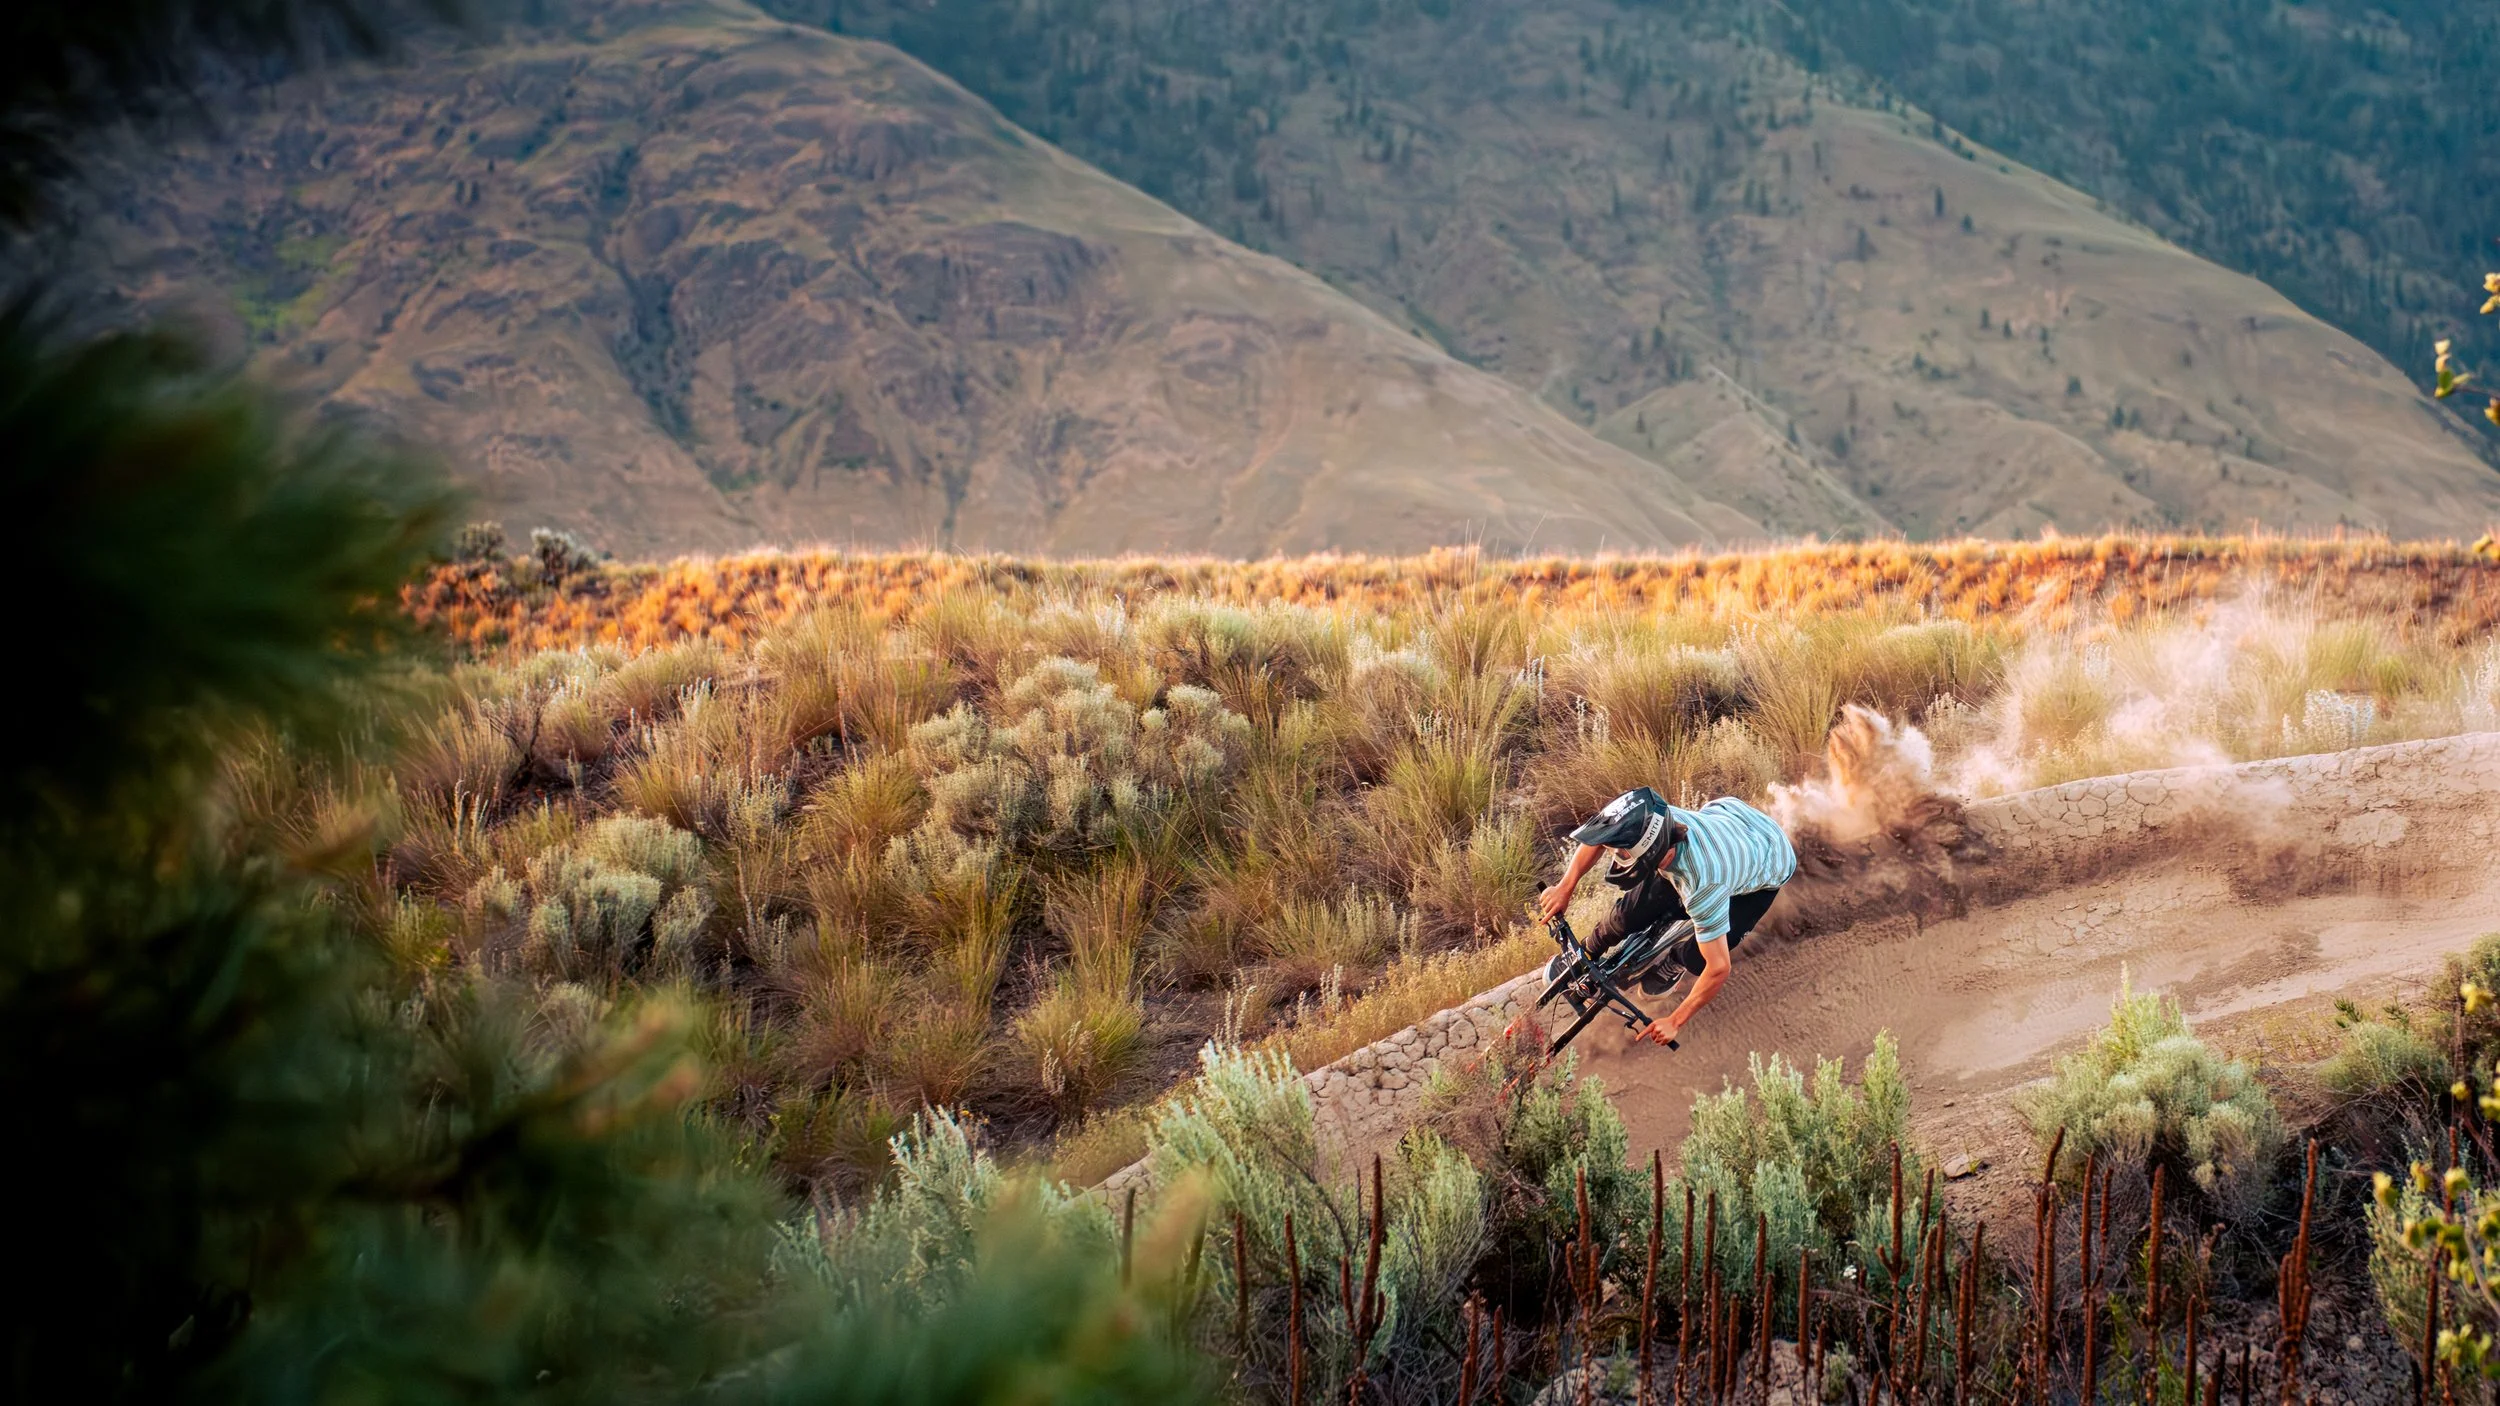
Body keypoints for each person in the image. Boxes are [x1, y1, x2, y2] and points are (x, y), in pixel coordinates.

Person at [1535, 786, 1796, 1048]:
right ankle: (1587, 951)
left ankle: (1675, 961)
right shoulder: (1651, 819)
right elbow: (1601, 837)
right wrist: (1565, 887)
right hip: (1733, 817)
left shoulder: (1703, 885)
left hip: (1770, 863)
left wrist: (1675, 1020)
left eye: (1623, 855)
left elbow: (1719, 968)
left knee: (1700, 958)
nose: (1616, 858)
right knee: (1625, 916)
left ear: (1650, 852)